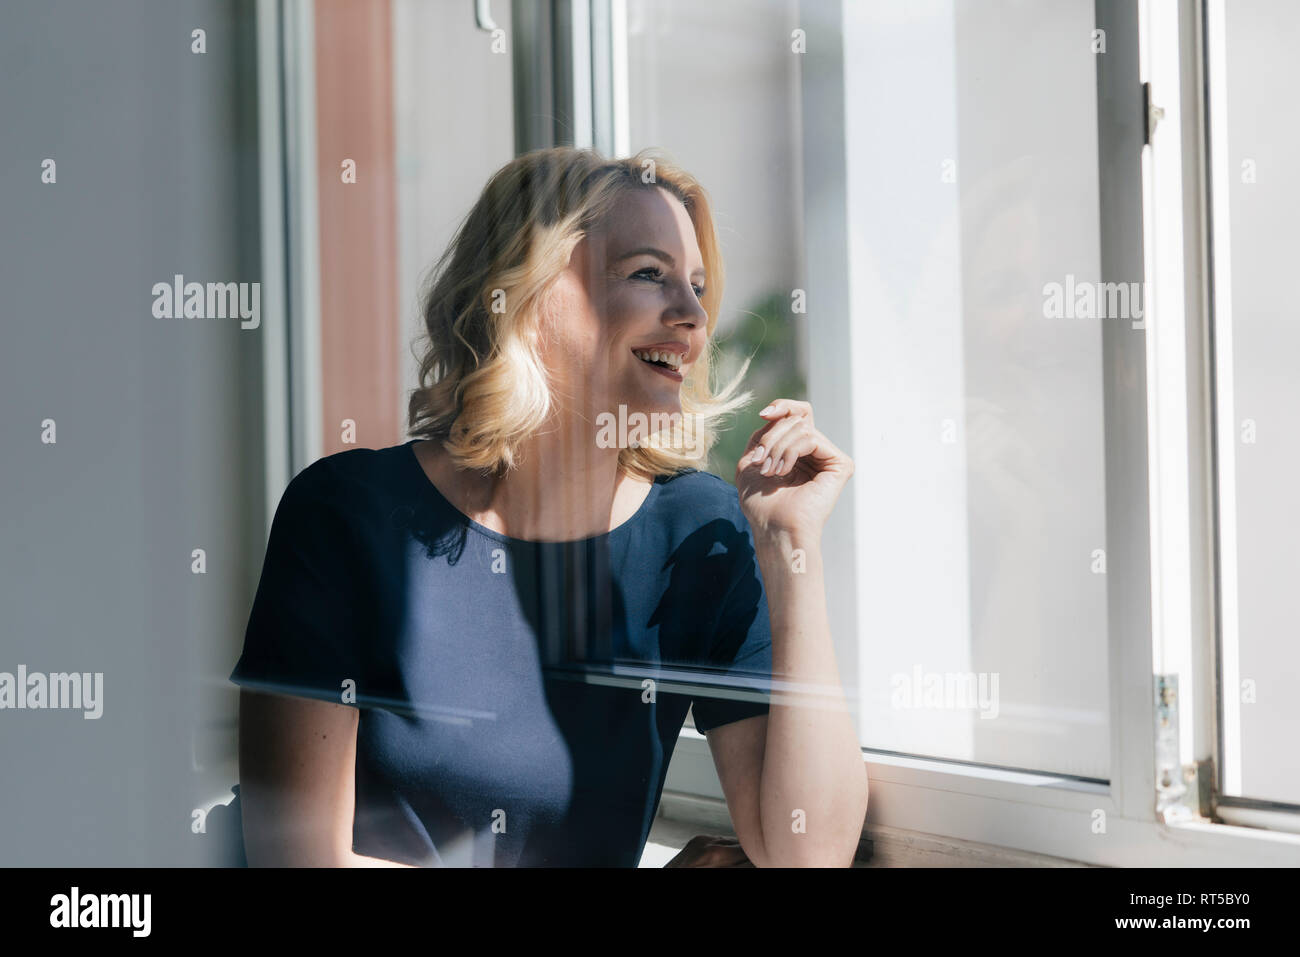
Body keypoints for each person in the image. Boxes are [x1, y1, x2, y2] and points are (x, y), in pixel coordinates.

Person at [230, 146, 868, 867]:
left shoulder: (699, 531)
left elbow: (809, 852)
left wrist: (793, 548)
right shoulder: (347, 513)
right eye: (648, 274)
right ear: (528, 297)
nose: (692, 314)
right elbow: (299, 862)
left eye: (695, 286)